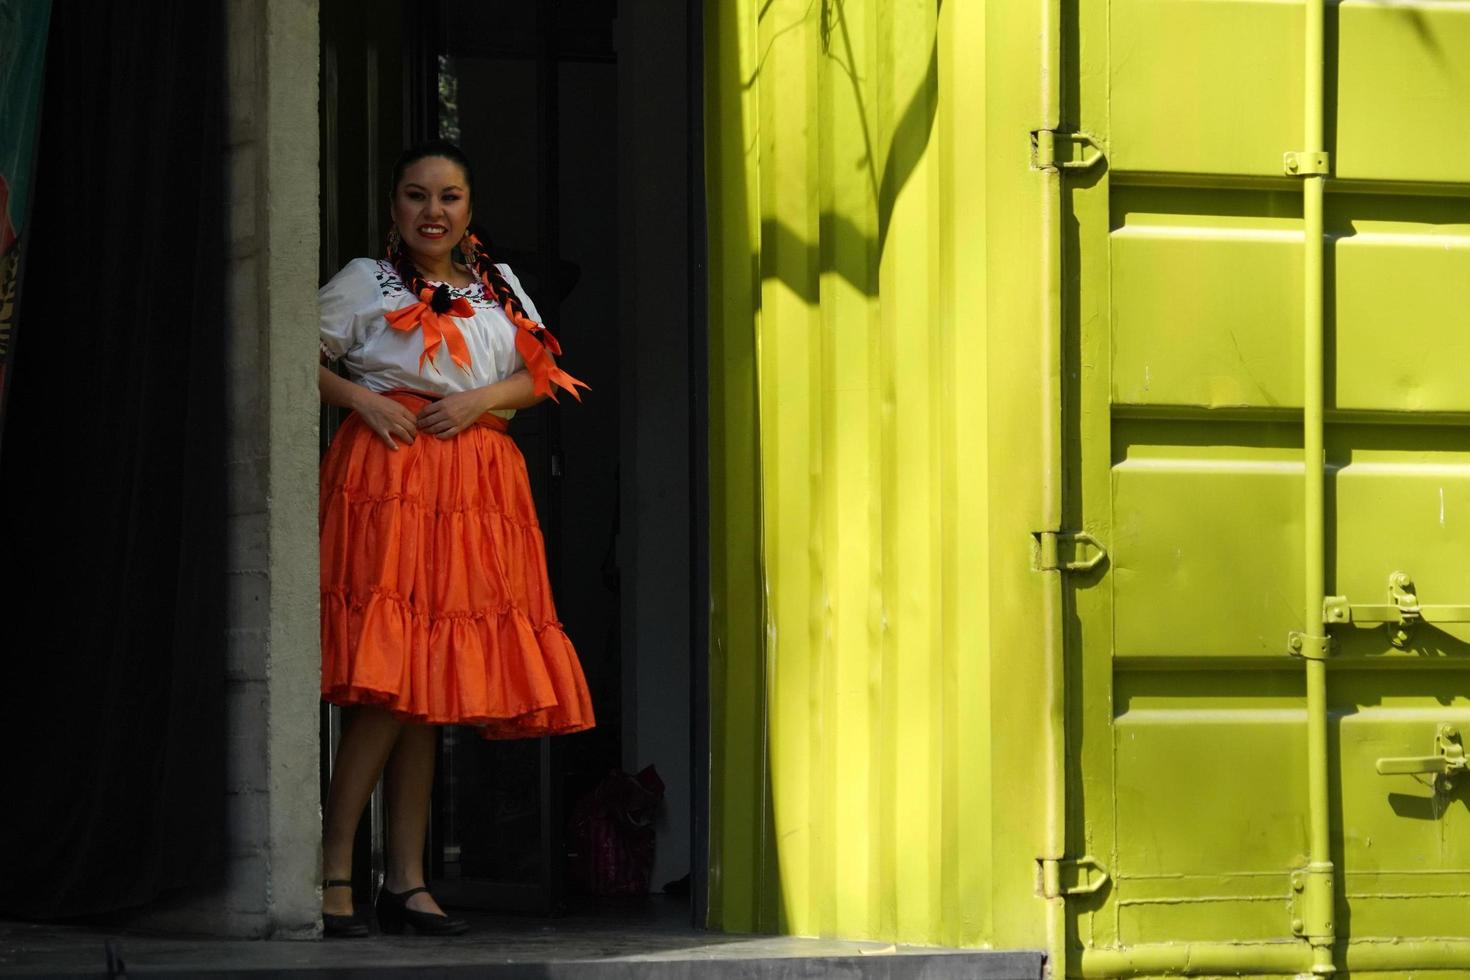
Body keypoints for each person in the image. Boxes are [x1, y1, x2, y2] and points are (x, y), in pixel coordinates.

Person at [315, 139, 595, 938]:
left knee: (427, 689)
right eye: (416, 196)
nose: (432, 212)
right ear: (394, 207)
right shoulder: (363, 282)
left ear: (470, 208)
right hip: (392, 476)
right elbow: (296, 351)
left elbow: (540, 374)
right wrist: (361, 402)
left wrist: (478, 404)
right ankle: (336, 867)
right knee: (390, 678)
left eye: (448, 197)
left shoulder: (498, 285)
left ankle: (404, 879)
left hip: (476, 490)